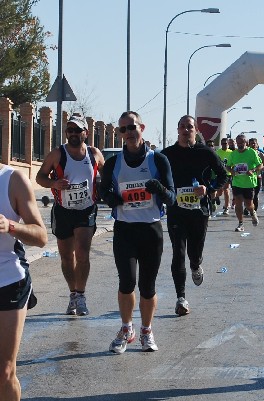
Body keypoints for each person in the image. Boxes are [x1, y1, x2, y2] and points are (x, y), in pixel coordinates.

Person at [100, 111, 176, 354]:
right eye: (123, 129)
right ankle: (126, 328)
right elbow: (103, 192)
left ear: (141, 127)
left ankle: (146, 330)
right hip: (125, 230)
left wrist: (160, 190)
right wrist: (112, 198)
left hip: (151, 229)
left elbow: (172, 199)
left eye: (132, 127)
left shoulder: (158, 160)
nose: (128, 133)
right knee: (126, 282)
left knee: (148, 285)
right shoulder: (113, 163)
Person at [36, 114, 105, 316]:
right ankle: (73, 294)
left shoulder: (94, 154)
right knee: (67, 257)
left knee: (82, 252)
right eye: (70, 130)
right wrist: (53, 184)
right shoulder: (57, 154)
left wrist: (104, 187)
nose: (73, 134)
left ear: (86, 132)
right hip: (63, 210)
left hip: (86, 210)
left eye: (77, 130)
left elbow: (108, 174)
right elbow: (40, 177)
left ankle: (81, 295)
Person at [161, 116, 227, 316]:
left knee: (194, 252)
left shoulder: (205, 152)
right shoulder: (167, 154)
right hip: (176, 210)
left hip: (200, 210)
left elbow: (223, 176)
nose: (185, 130)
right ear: (177, 130)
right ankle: (181, 298)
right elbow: (157, 177)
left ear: (196, 130)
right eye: (182, 126)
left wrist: (209, 188)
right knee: (178, 252)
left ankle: (196, 264)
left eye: (189, 127)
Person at [0, 163, 48, 401]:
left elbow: (41, 237)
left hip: (8, 282)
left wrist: (11, 226)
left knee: (4, 370)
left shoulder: (12, 179)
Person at [227, 134, 263, 232]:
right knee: (238, 203)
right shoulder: (233, 154)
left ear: (246, 143)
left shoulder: (252, 152)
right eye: (238, 143)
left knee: (248, 205)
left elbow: (261, 165)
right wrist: (231, 171)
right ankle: (240, 223)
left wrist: (253, 170)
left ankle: (253, 212)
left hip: (249, 183)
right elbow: (228, 166)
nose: (240, 144)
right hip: (237, 183)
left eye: (242, 142)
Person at [215, 137, 234, 215]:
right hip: (219, 174)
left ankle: (226, 207)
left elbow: (234, 162)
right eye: (222, 144)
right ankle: (216, 196)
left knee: (226, 190)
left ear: (228, 144)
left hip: (228, 174)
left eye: (225, 143)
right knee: (219, 192)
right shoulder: (217, 152)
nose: (224, 145)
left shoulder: (231, 152)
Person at [249, 138, 264, 212]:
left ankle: (254, 210)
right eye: (251, 143)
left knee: (255, 195)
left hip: (257, 176)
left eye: (254, 143)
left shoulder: (260, 154)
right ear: (248, 145)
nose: (253, 145)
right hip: (248, 177)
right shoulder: (246, 153)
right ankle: (248, 207)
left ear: (257, 145)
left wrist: (263, 168)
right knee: (248, 195)